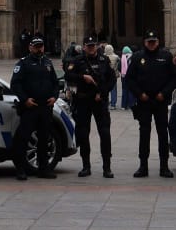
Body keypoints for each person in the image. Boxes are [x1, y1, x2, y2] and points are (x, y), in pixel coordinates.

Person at [125, 30, 176, 178]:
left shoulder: (166, 57)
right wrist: (139, 94)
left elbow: (174, 78)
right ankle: (143, 166)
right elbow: (129, 79)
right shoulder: (137, 57)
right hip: (144, 102)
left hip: (160, 101)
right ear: (145, 42)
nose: (151, 44)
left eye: (154, 41)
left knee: (162, 133)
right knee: (144, 134)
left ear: (158, 42)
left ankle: (164, 166)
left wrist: (164, 93)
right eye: (149, 41)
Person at [64, 34, 116, 178]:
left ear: (97, 46)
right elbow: (68, 76)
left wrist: (103, 93)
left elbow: (112, 79)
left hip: (99, 101)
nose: (92, 48)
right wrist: (82, 77)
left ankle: (107, 167)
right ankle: (86, 166)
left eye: (93, 46)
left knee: (105, 133)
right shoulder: (77, 61)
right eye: (89, 46)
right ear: (84, 47)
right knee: (83, 133)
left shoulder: (103, 60)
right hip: (83, 101)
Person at [9, 36, 60, 181]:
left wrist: (54, 97)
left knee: (44, 139)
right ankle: (20, 169)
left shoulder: (48, 62)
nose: (39, 49)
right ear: (30, 47)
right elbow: (15, 84)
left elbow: (55, 83)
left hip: (45, 107)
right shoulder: (23, 63)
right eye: (36, 46)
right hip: (30, 107)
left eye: (41, 46)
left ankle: (43, 169)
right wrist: (25, 100)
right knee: (23, 138)